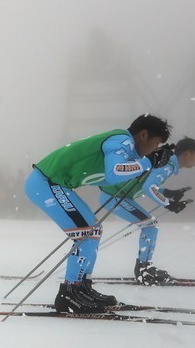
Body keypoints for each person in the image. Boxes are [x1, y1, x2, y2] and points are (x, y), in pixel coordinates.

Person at [24, 114, 172, 313]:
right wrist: (148, 162)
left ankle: (81, 287)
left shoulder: (126, 147)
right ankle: (69, 294)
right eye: (154, 144)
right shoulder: (122, 141)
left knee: (93, 230)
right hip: (47, 182)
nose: (154, 150)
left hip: (53, 182)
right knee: (85, 232)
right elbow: (115, 171)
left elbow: (123, 173)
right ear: (143, 134)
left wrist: (149, 162)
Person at [98, 137, 195, 285]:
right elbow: (148, 188)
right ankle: (143, 270)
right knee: (150, 226)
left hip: (117, 196)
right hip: (115, 197)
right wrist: (168, 204)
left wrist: (168, 192)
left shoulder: (168, 162)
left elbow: (145, 184)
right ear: (187, 154)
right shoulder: (168, 165)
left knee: (150, 226)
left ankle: (144, 268)